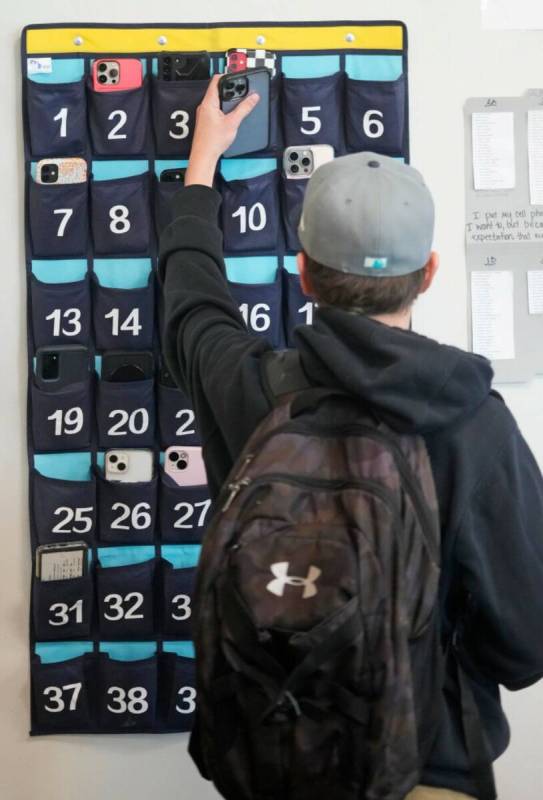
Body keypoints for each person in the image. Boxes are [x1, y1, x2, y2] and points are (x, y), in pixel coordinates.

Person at [158, 75, 543, 800]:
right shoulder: (471, 420)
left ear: (303, 273)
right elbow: (523, 646)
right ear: (426, 273)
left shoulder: (250, 386)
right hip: (429, 772)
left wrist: (202, 163)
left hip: (270, 765)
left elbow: (190, 302)